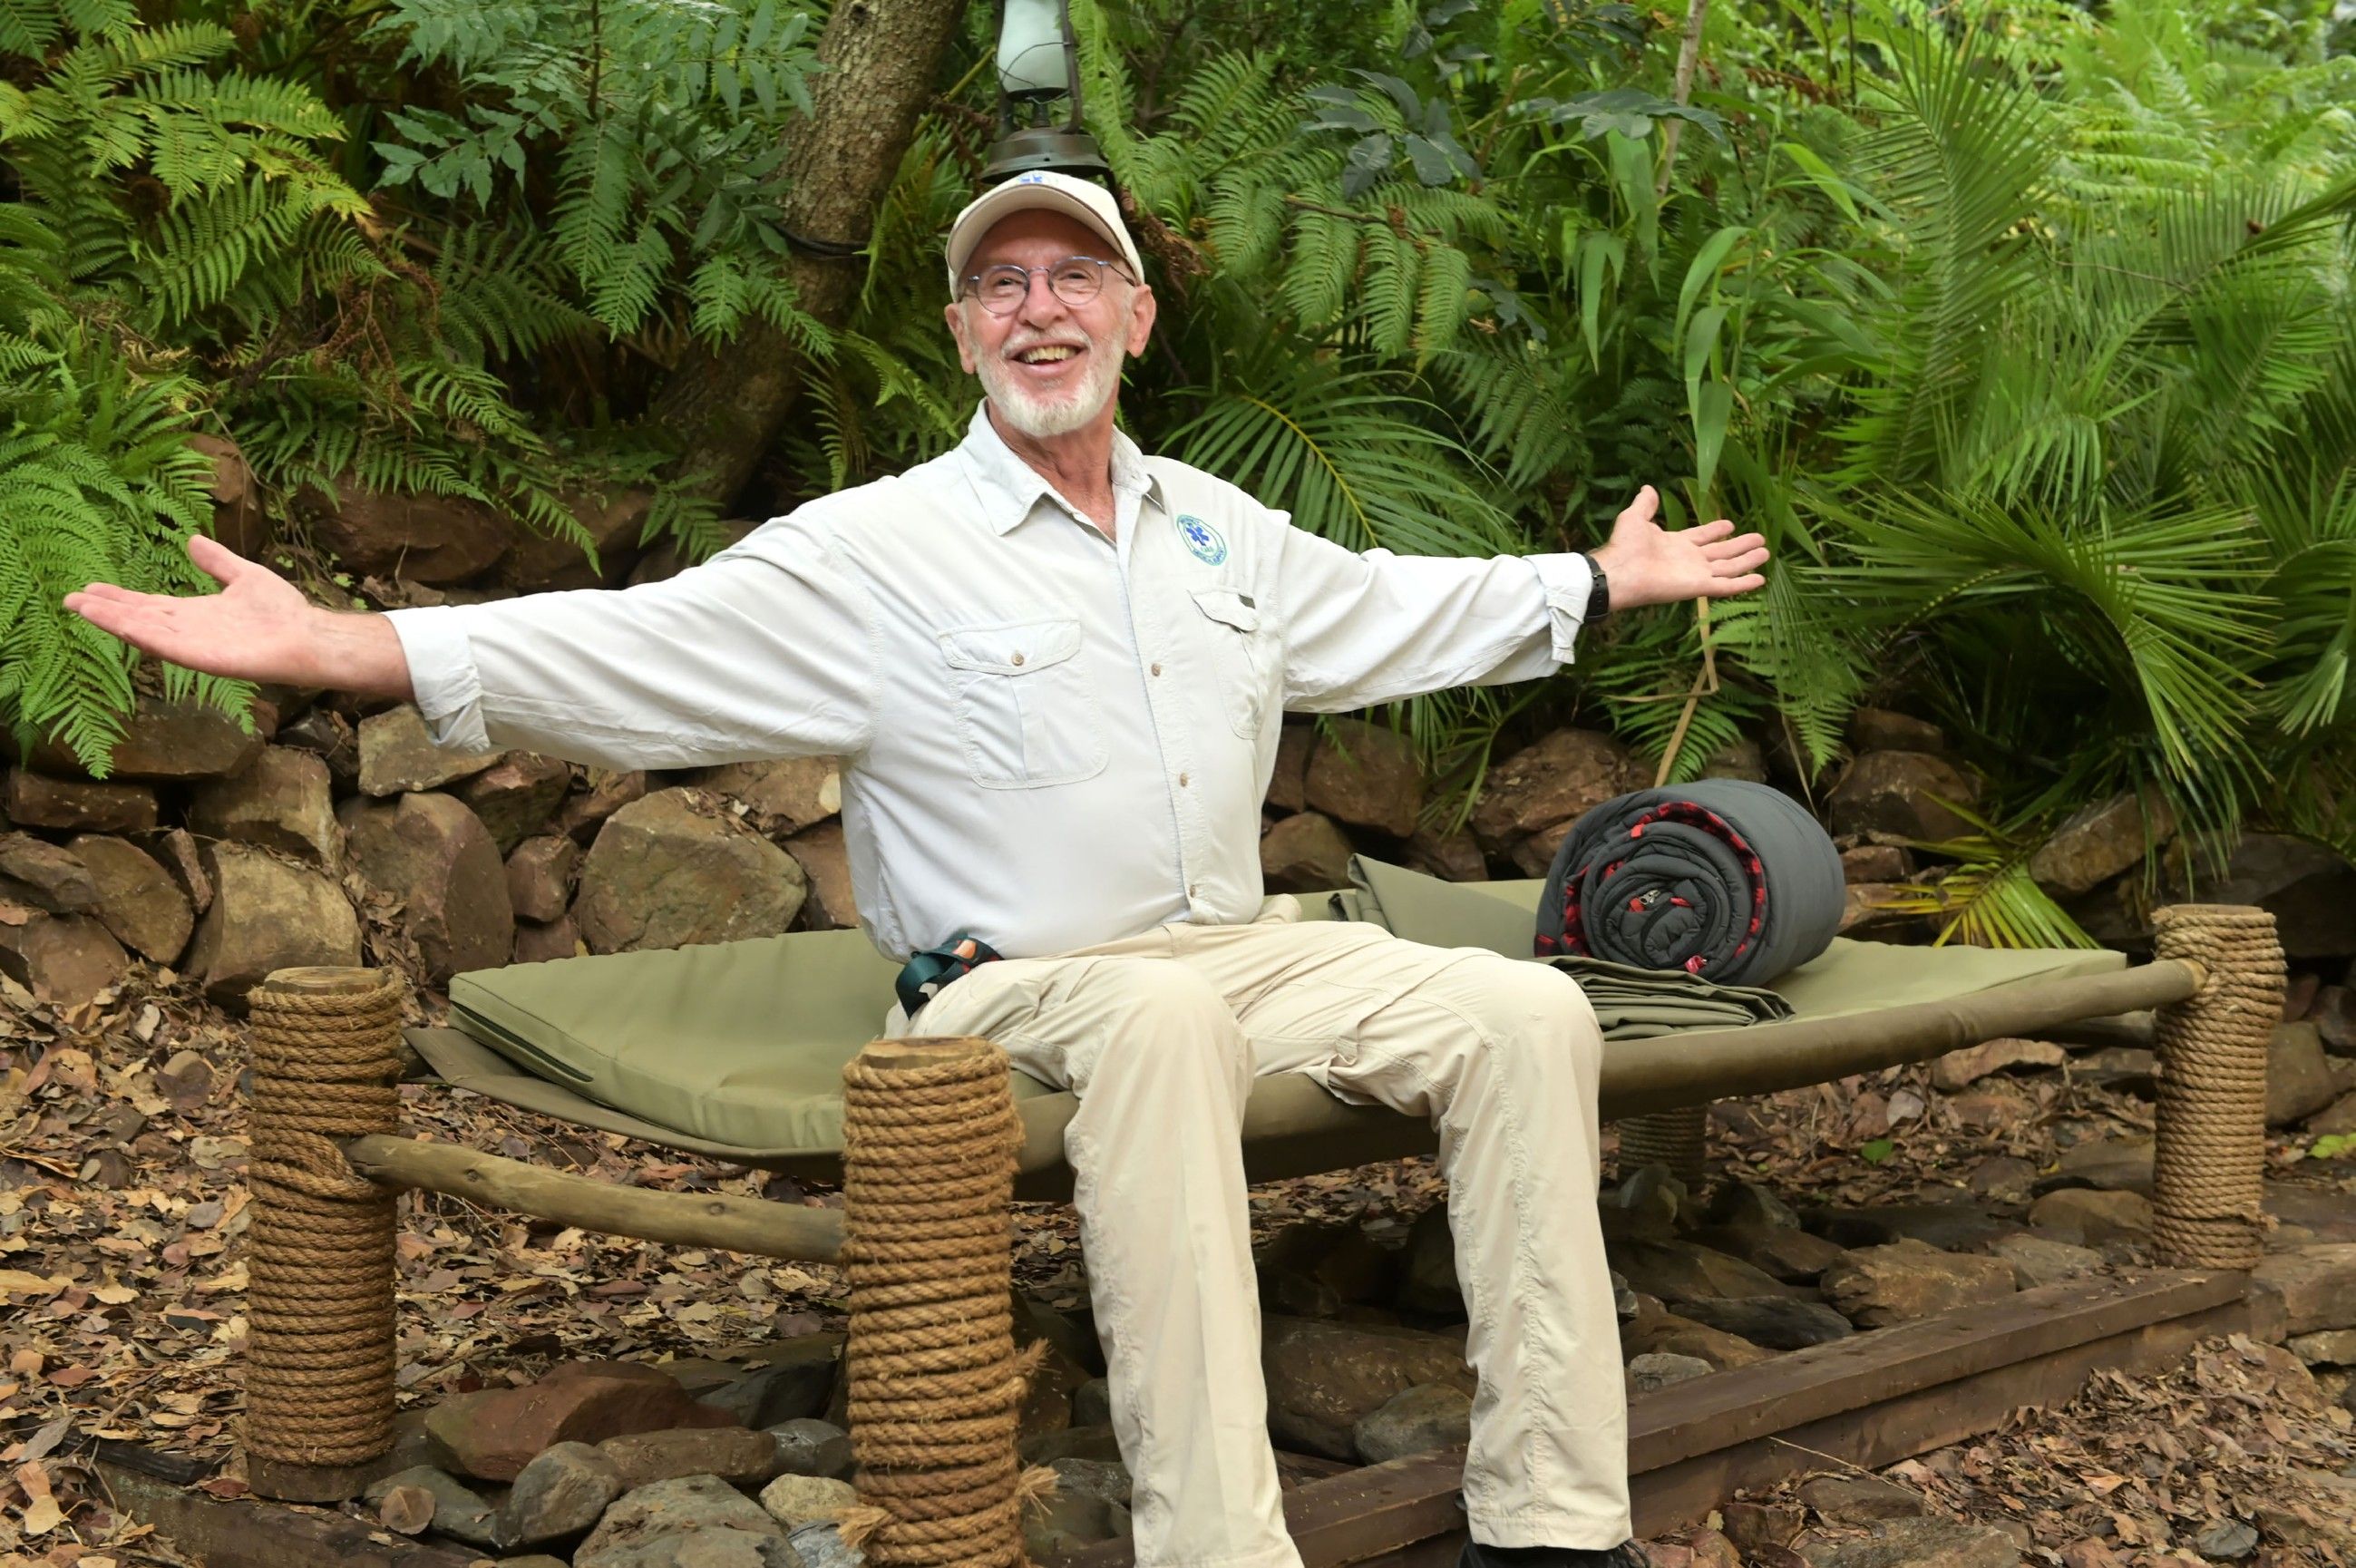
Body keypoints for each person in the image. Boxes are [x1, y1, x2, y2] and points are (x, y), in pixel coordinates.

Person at [68, 170, 1767, 1568]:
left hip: (1231, 950)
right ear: (962, 331)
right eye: (999, 283)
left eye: (1074, 275)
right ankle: (1215, 1546)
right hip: (1005, 986)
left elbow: (1395, 606)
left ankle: (1552, 1526)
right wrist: (347, 647)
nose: (1040, 308)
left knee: (1522, 1011)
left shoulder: (1215, 528)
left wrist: (1593, 582)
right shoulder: (874, 550)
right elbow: (630, 643)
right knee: (1164, 1033)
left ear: (1135, 316)